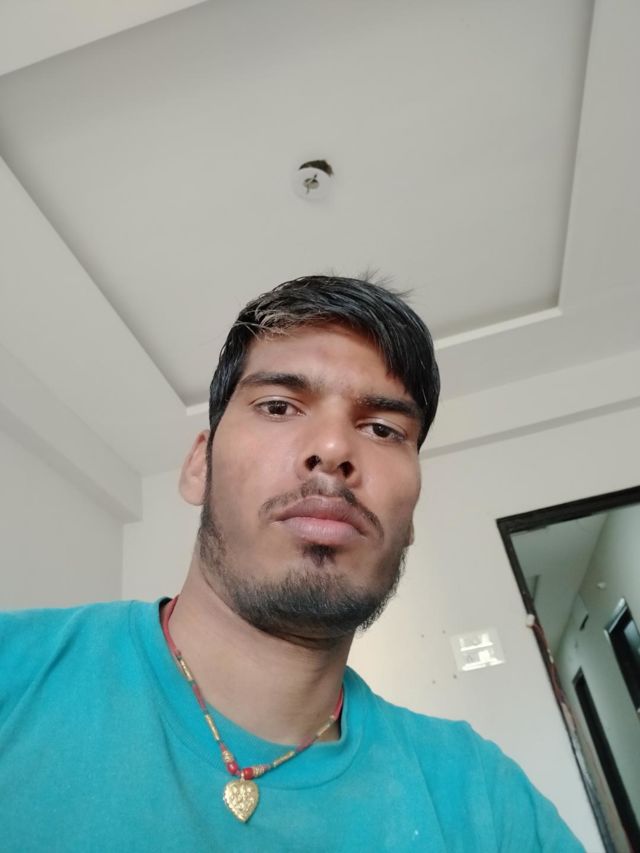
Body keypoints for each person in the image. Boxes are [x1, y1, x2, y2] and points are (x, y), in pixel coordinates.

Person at [0, 276, 583, 851]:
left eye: (383, 429)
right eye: (278, 406)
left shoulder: (485, 799)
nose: (333, 449)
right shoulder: (16, 672)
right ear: (200, 466)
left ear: (409, 518)